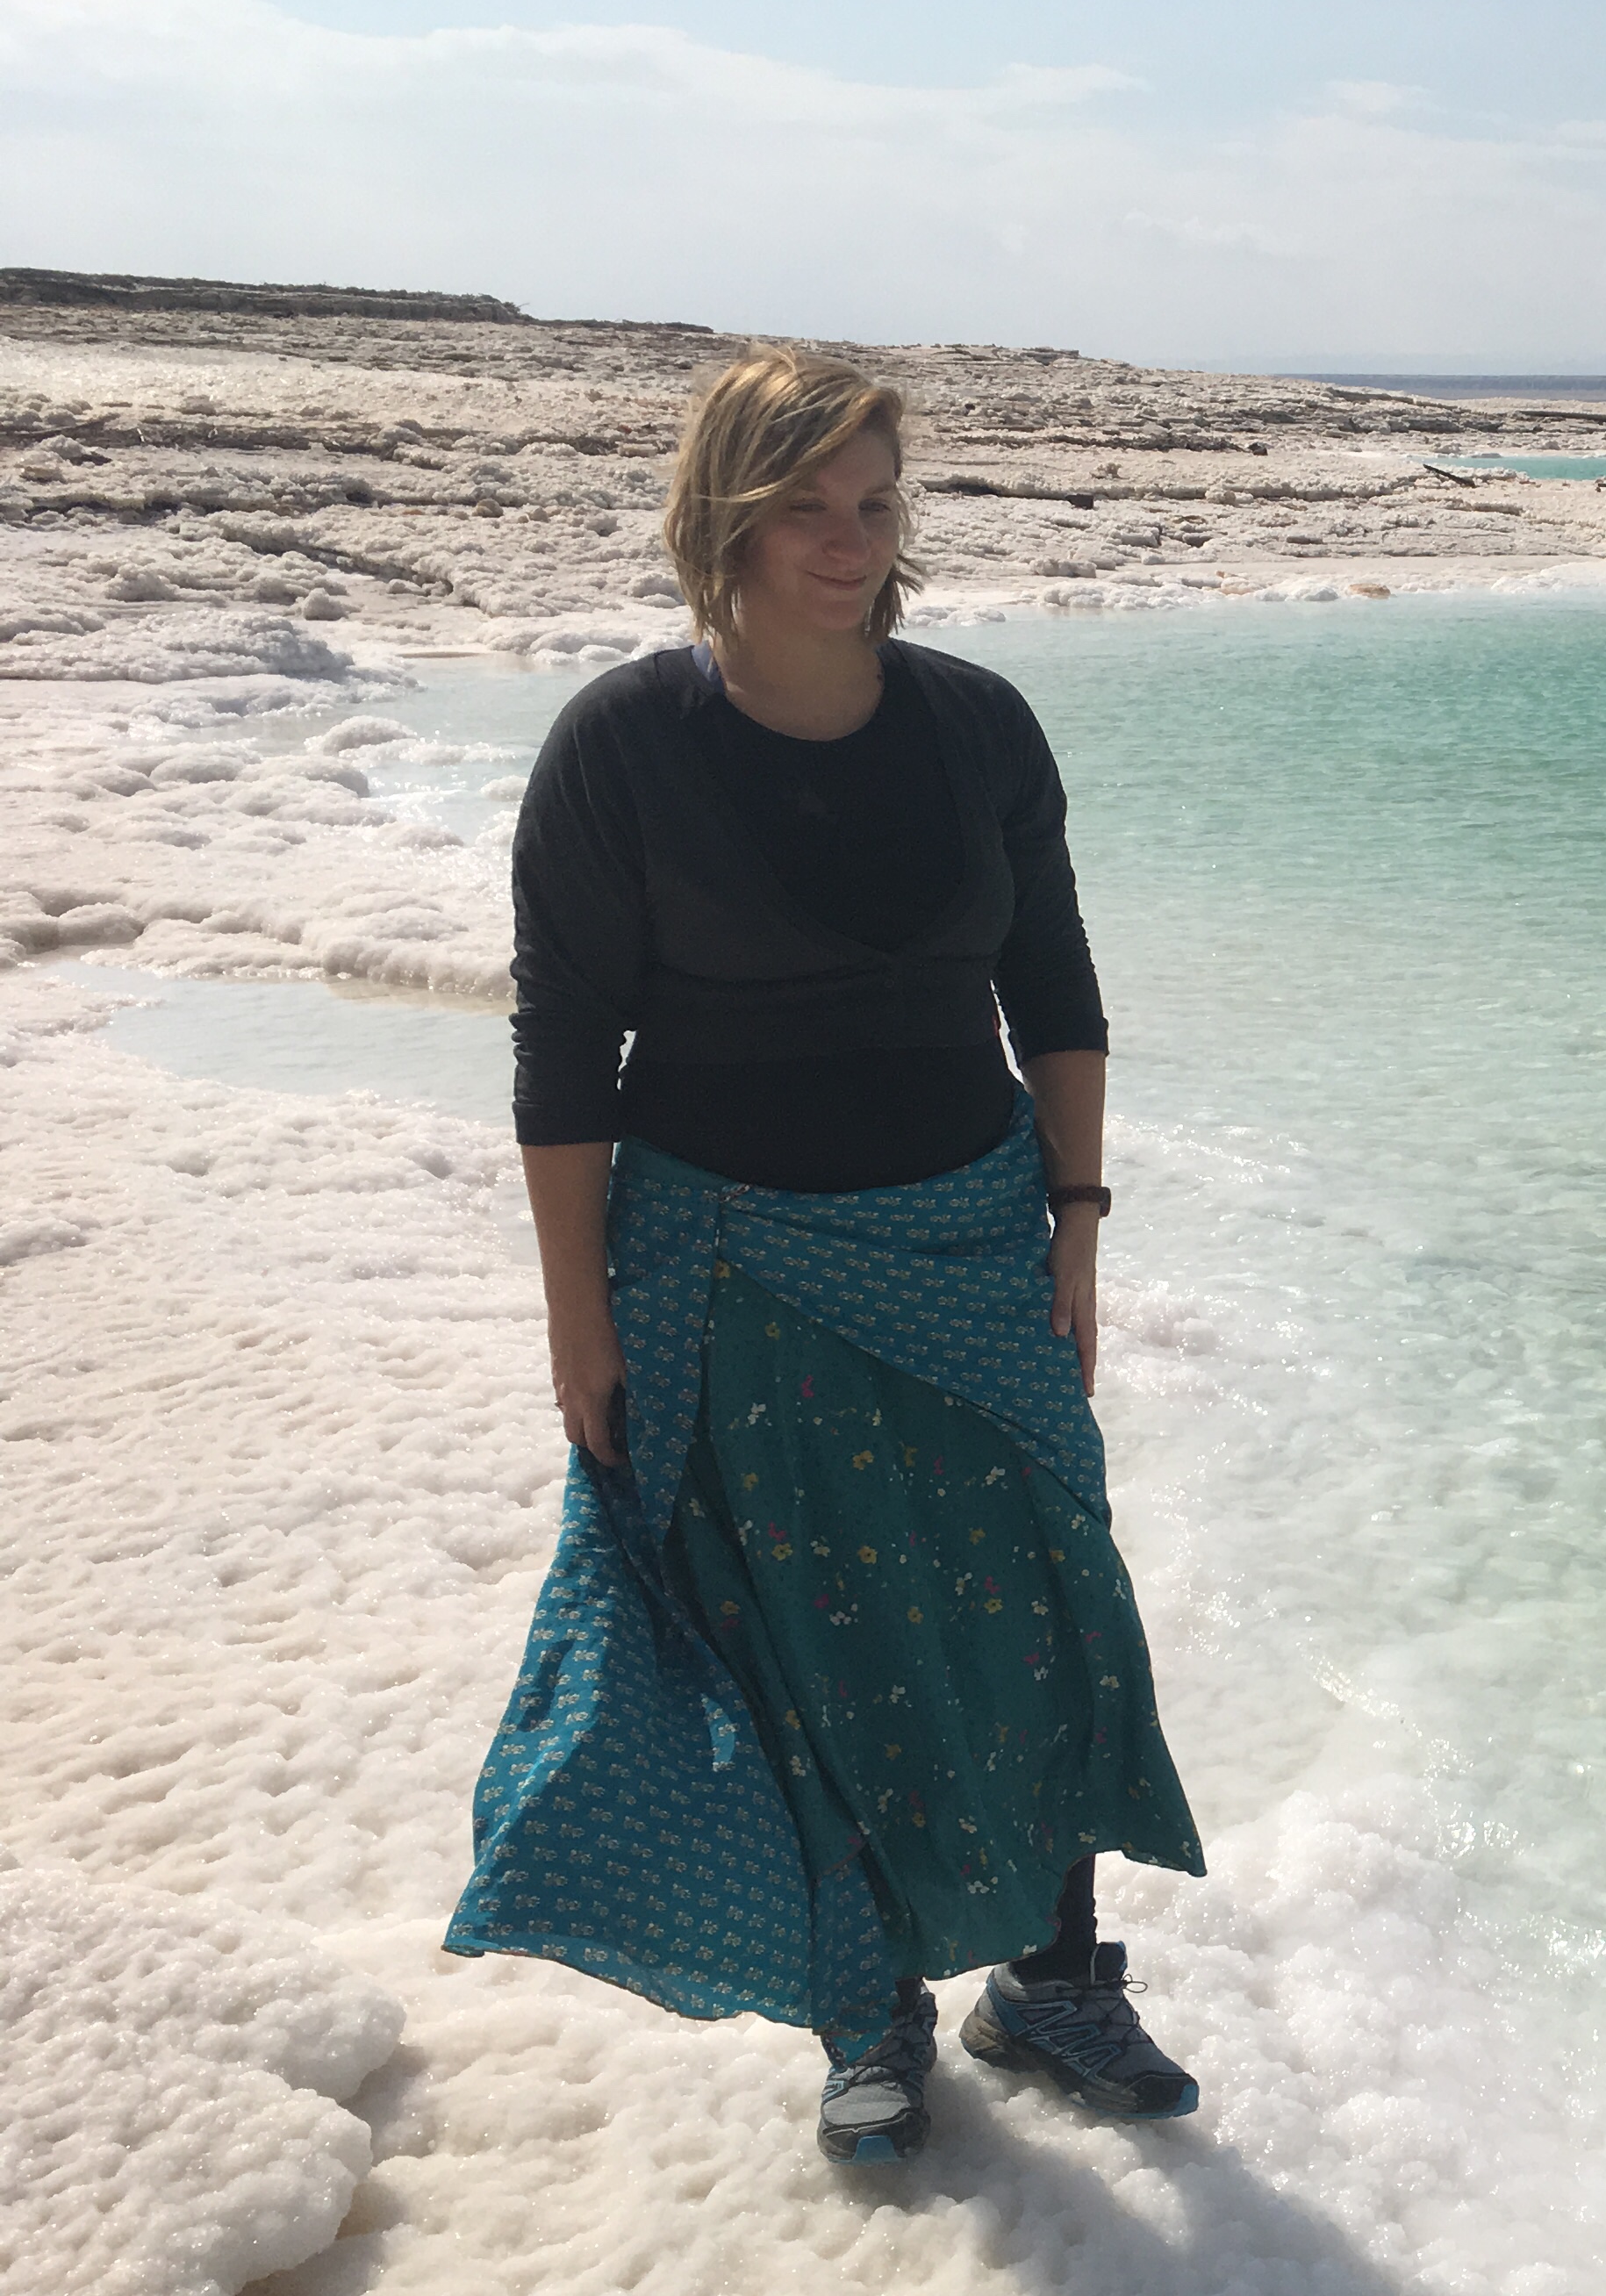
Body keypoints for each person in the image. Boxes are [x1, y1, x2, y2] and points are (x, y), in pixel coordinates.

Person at [446, 347, 1207, 2166]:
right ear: (724, 513)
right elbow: (564, 1060)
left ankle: (1053, 1978)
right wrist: (576, 1317)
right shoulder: (623, 746)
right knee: (805, 1635)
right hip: (726, 1257)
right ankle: (867, 2011)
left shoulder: (979, 727)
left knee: (1042, 1607)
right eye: (806, 506)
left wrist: (1078, 1220)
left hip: (970, 1235)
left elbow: (1058, 992)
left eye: (874, 503)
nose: (849, 542)